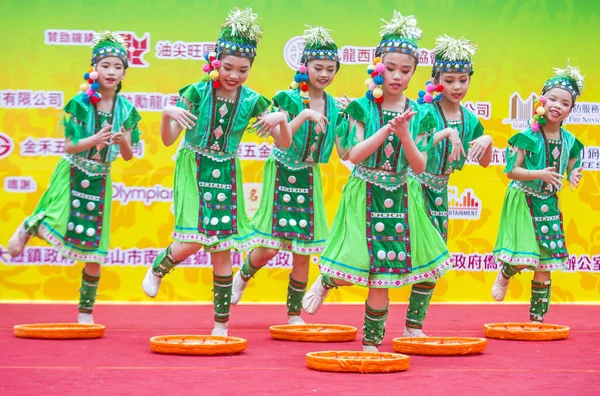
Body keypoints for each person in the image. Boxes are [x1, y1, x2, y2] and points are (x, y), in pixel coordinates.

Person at [302, 11, 452, 351]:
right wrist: (387, 130)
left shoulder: (422, 113)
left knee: (384, 273)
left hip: (402, 192)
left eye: (406, 70)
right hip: (365, 190)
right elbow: (352, 155)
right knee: (358, 260)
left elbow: (419, 164)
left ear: (414, 72)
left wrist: (404, 135)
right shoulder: (360, 108)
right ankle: (327, 280)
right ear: (377, 66)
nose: (397, 76)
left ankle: (372, 346)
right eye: (391, 68)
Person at [141, 8, 291, 336]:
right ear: (215, 62)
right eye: (228, 68)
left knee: (222, 247)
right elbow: (168, 141)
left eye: (243, 69)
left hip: (226, 170)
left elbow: (285, 141)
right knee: (193, 239)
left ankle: (220, 325)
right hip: (193, 165)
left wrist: (281, 120)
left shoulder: (253, 100)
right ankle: (158, 268)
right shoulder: (197, 92)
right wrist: (167, 112)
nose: (234, 75)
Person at [8, 31, 141, 324]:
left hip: (101, 179)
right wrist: (94, 138)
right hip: (72, 171)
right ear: (94, 68)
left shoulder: (128, 110)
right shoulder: (80, 103)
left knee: (94, 249)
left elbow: (130, 156)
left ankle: (85, 313)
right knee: (56, 221)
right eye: (105, 65)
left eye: (117, 67)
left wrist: (121, 142)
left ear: (123, 73)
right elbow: (69, 145)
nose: (111, 72)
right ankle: (31, 224)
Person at [491, 64, 585, 323]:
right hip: (523, 199)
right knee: (524, 256)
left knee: (545, 263)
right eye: (552, 99)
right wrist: (539, 174)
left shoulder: (568, 140)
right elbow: (511, 171)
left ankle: (537, 321)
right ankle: (506, 273)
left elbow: (573, 160)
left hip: (549, 203)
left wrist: (575, 172)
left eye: (565, 103)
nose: (557, 105)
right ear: (541, 100)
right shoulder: (526, 137)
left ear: (570, 109)